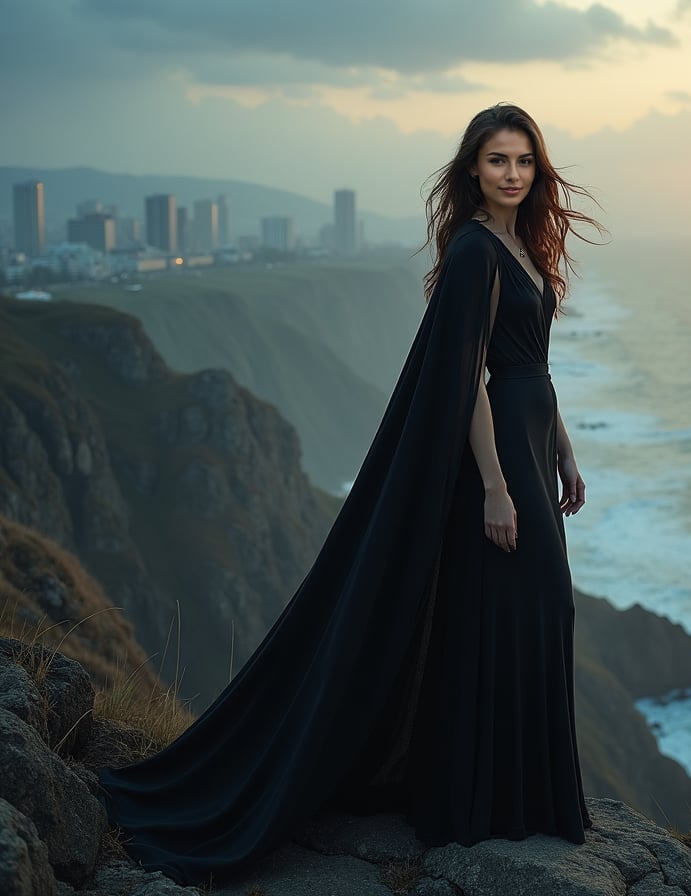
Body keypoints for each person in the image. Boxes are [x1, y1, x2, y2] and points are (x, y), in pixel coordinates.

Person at [99, 103, 605, 886]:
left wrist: (564, 450)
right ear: (473, 168)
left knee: (532, 606)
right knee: (521, 600)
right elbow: (469, 376)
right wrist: (497, 487)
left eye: (524, 161)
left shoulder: (523, 245)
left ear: (538, 169)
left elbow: (530, 364)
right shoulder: (475, 249)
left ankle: (520, 795)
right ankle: (477, 802)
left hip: (535, 440)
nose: (512, 174)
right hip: (499, 450)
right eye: (497, 160)